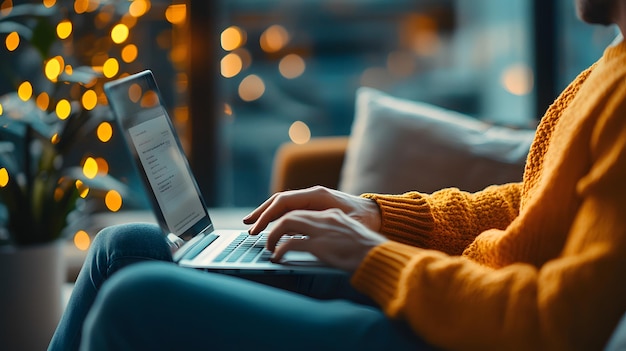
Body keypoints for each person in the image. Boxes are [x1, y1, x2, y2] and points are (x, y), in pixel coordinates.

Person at [50, 0, 626, 350]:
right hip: (449, 300)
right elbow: (532, 203)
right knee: (123, 245)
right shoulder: (608, 65)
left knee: (138, 299)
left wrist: (371, 255)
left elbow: (554, 326)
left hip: (459, 334)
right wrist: (377, 215)